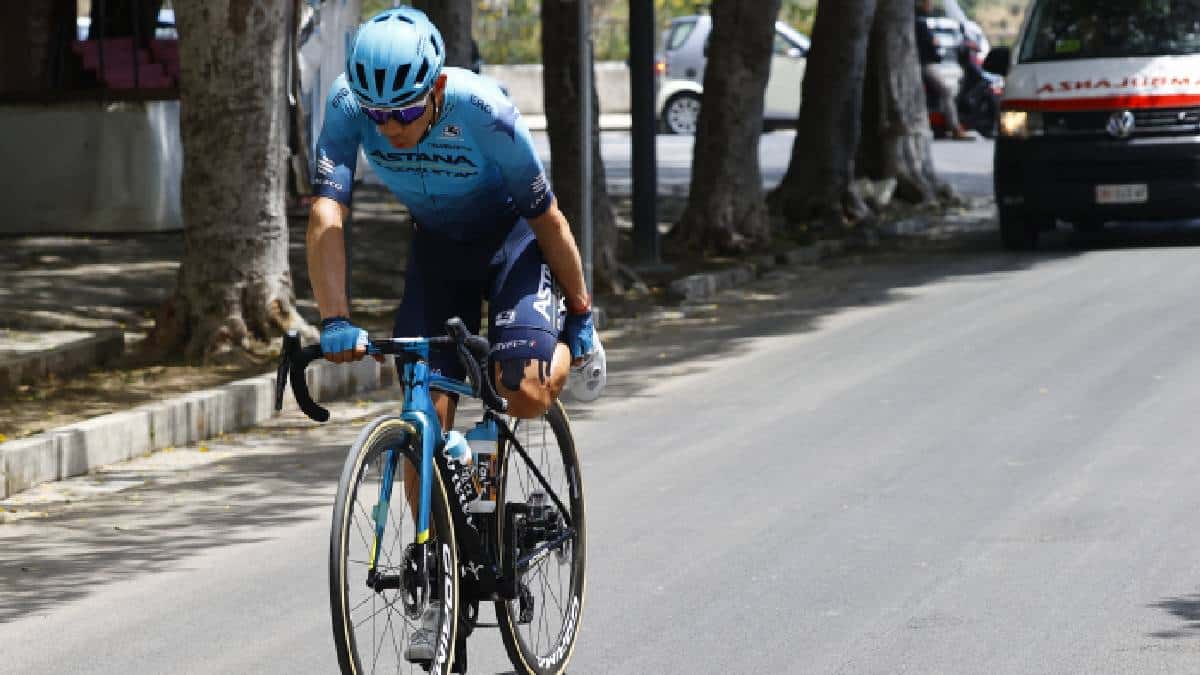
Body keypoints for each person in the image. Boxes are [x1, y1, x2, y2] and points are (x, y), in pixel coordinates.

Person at [306, 8, 604, 661]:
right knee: (422, 416)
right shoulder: (348, 107)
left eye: (406, 112)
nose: (391, 128)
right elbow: (327, 214)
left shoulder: (484, 112)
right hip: (438, 252)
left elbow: (549, 219)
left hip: (513, 244)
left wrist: (580, 315)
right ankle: (435, 581)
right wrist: (334, 318)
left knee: (521, 390)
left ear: (436, 88)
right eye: (378, 115)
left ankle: (555, 355)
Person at [916, 0, 973, 140]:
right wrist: (934, 44)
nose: (931, 5)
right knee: (946, 91)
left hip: (923, 64)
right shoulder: (919, 22)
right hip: (923, 65)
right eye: (928, 2)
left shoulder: (918, 21)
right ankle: (954, 127)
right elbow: (930, 46)